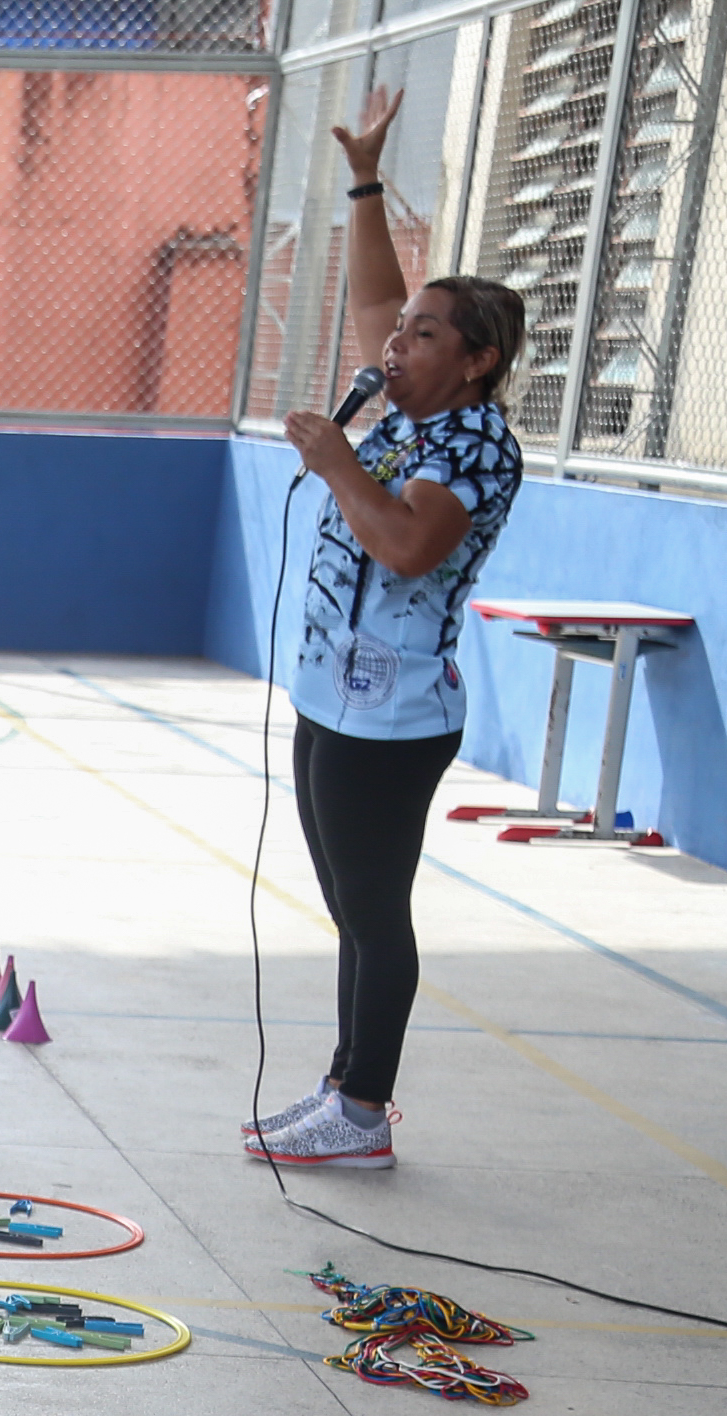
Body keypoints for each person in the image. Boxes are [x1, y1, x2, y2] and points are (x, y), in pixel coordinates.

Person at [250, 83, 529, 1176]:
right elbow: (373, 292)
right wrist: (365, 181)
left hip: (395, 714)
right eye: (402, 330)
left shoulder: (471, 445)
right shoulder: (415, 411)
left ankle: (364, 1109)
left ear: (476, 360)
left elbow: (408, 548)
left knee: (374, 911)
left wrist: (335, 465)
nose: (396, 343)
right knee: (347, 905)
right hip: (333, 695)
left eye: (425, 334)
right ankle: (341, 1087)